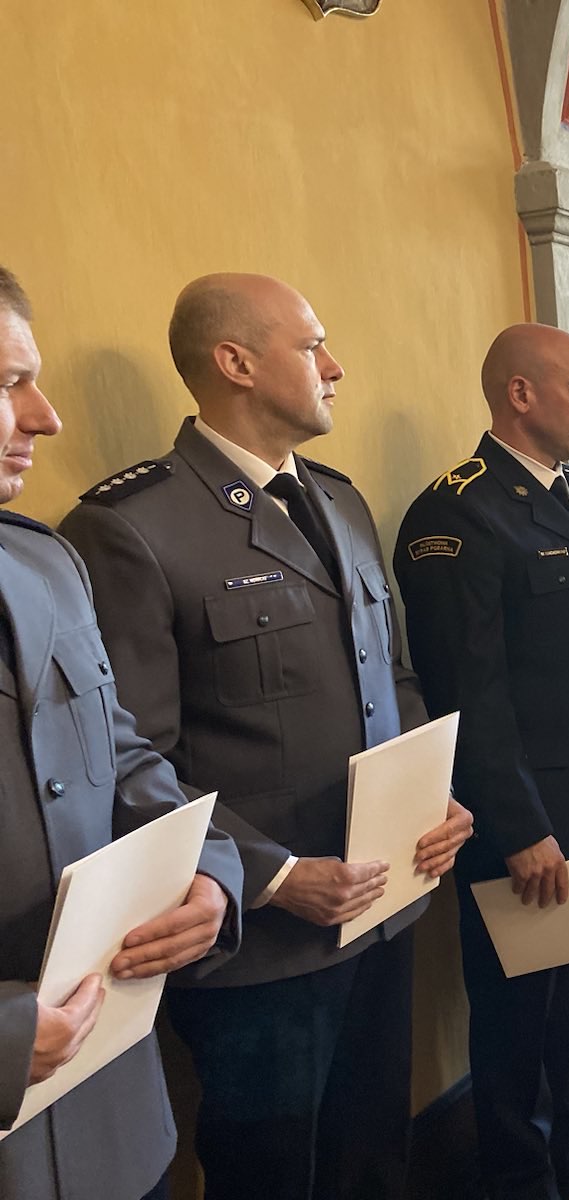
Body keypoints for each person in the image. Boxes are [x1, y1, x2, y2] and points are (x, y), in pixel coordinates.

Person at [58, 273, 473, 1199]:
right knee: (272, 1174)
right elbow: (128, 758)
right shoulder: (132, 527)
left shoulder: (340, 501)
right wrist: (275, 876)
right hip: (263, 945)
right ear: (236, 362)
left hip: (383, 901)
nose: (335, 367)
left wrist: (433, 794)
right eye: (313, 345)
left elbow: (392, 677)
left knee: (375, 1154)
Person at [392, 323, 569, 1200]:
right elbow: (466, 692)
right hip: (527, 819)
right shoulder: (456, 515)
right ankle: (520, 1178)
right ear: (520, 394)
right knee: (520, 1016)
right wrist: (517, 828)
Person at [0, 264, 244, 1200]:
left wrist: (210, 870)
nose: (46, 418)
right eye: (10, 384)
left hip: (114, 1109)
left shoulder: (46, 563)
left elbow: (124, 751)